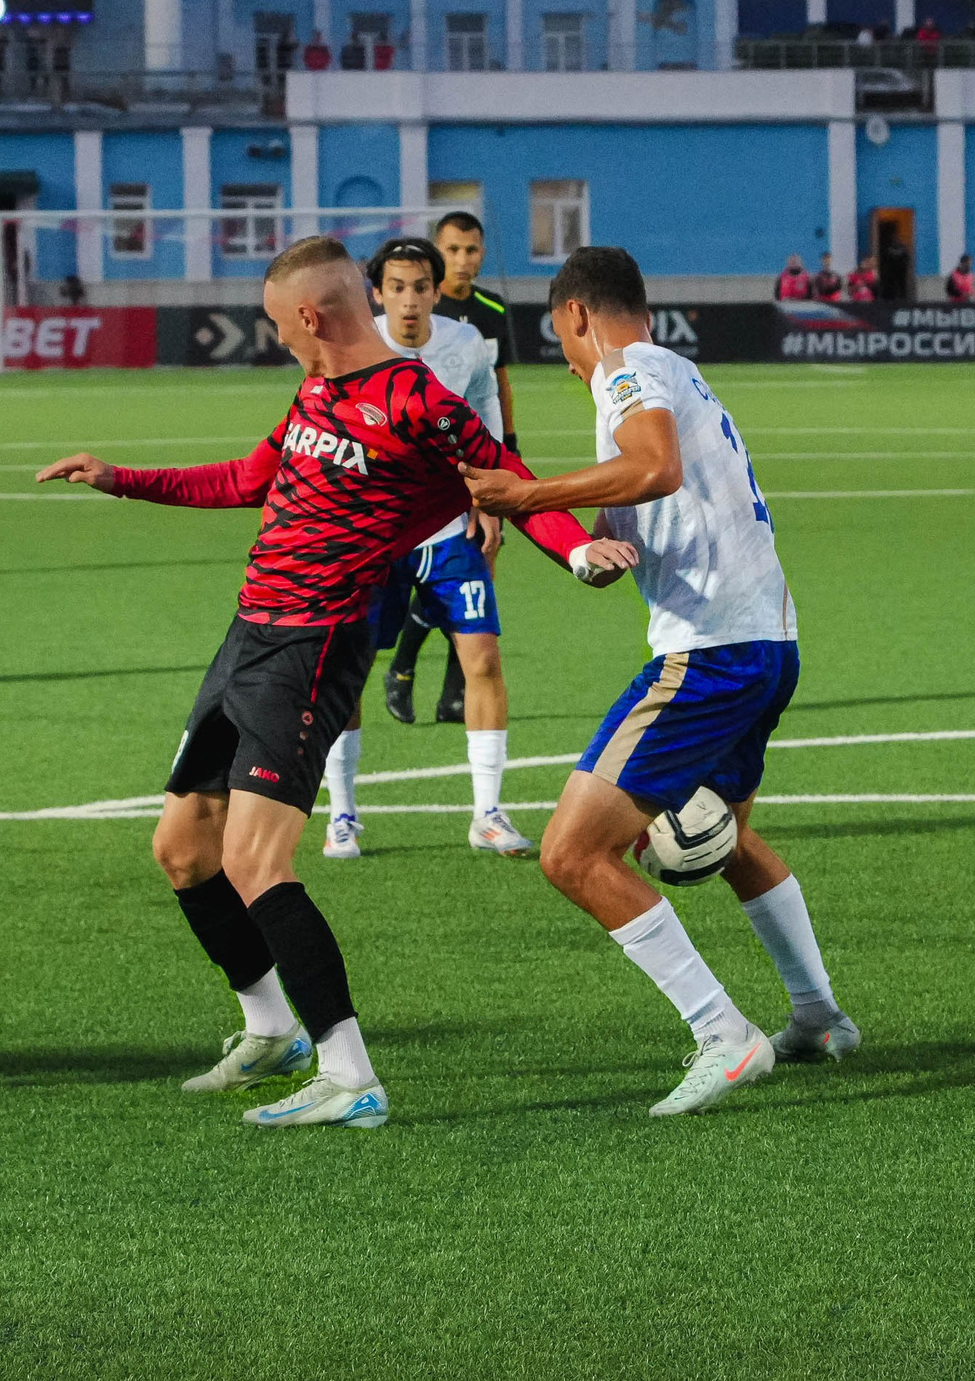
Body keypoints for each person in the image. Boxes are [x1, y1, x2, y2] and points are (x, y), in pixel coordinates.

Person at [33, 236, 633, 1128]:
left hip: (316, 646)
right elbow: (247, 478)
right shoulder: (316, 391)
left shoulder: (415, 398)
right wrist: (119, 479)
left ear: (310, 316)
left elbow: (504, 480)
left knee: (254, 860)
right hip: (247, 636)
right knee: (184, 850)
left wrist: (577, 546)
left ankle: (352, 1078)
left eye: (279, 324)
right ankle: (271, 1028)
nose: (278, 338)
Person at [462, 246, 854, 1118]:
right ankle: (819, 1017)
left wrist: (523, 497)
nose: (564, 360)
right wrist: (592, 546)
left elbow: (656, 468)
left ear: (575, 317)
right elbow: (643, 494)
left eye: (560, 341)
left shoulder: (626, 371)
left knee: (571, 854)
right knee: (726, 840)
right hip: (765, 640)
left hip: (712, 654)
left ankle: (724, 1034)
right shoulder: (674, 367)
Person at [319, 237, 535, 861]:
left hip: (449, 530)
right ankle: (342, 815)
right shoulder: (355, 346)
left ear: (437, 293)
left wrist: (489, 499)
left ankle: (488, 814)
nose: (409, 301)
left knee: (484, 661)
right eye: (396, 288)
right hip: (374, 536)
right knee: (348, 670)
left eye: (420, 288)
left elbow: (485, 412)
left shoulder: (466, 343)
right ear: (377, 294)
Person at [380, 210, 517, 728]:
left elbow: (495, 391)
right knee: (432, 586)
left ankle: (454, 695)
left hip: (476, 462)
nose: (465, 260)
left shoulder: (489, 310)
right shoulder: (394, 325)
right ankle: (405, 665)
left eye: (472, 250)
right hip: (402, 491)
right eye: (454, 250)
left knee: (477, 587)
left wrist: (504, 456)